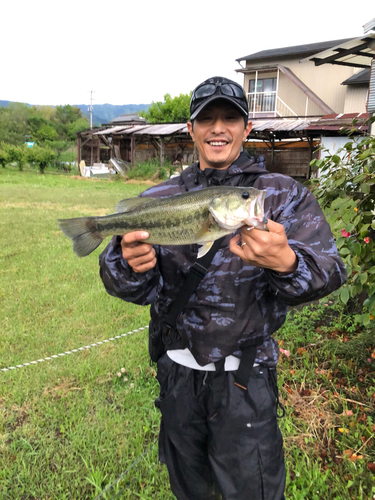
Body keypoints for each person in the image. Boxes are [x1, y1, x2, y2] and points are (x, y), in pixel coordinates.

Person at [99, 76, 347, 500]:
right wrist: (129, 266)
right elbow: (124, 282)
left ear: (246, 127)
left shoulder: (280, 196)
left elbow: (330, 271)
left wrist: (287, 263)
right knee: (190, 490)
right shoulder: (161, 197)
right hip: (177, 375)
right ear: (191, 129)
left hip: (244, 382)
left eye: (230, 118)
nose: (218, 128)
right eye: (206, 119)